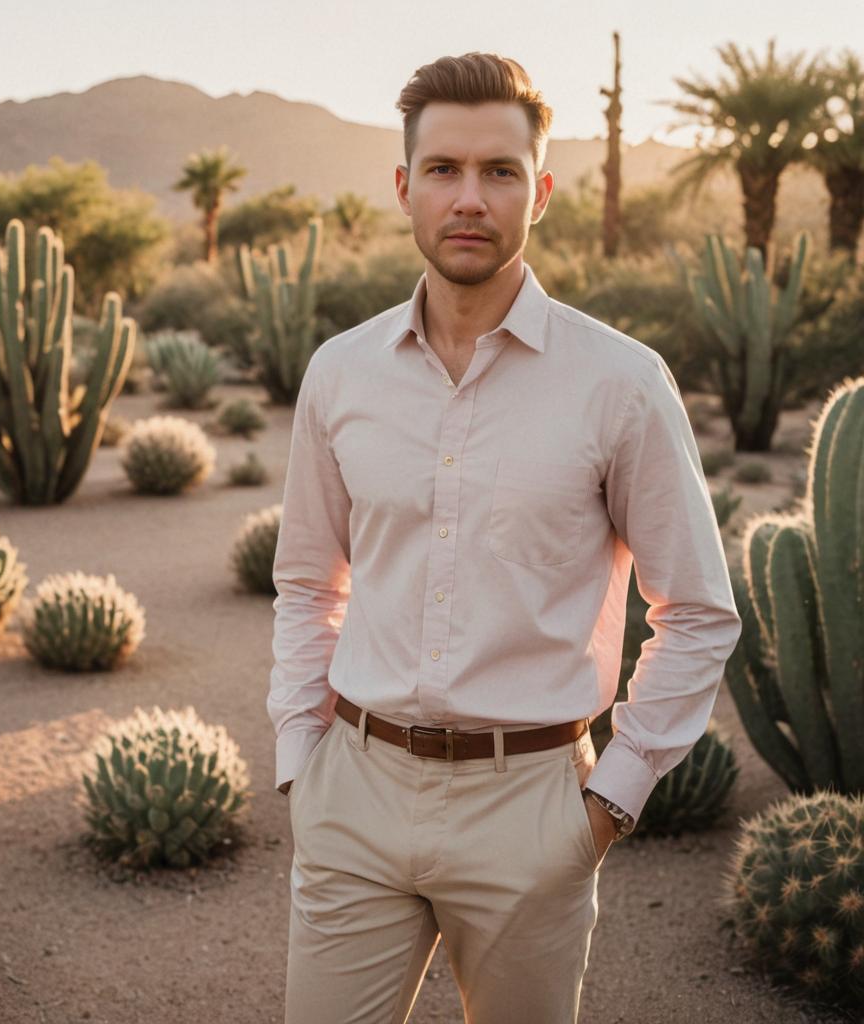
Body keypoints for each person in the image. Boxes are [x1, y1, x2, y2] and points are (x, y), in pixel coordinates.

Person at [267, 51, 742, 1024]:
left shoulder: (618, 383)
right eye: (442, 169)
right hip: (352, 790)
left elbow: (695, 611)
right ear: (403, 187)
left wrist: (608, 801)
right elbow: (309, 581)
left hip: (529, 805)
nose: (469, 198)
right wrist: (299, 754)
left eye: (499, 171)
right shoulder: (341, 372)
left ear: (542, 190)